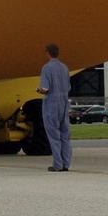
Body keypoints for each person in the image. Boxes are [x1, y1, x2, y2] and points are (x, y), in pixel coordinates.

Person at [37, 42, 72, 172]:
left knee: (53, 134)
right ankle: (66, 164)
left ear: (47, 53)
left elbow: (45, 88)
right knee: (65, 134)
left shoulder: (47, 68)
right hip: (64, 102)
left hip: (51, 103)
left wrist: (38, 90)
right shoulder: (64, 68)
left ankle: (57, 164)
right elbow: (68, 87)